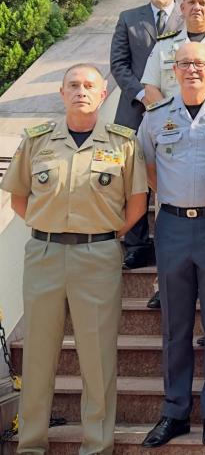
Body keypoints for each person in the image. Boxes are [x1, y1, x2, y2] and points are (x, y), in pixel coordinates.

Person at [0, 64, 147, 454]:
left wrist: (107, 233)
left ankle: (96, 446)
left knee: (97, 359)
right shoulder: (37, 141)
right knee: (37, 356)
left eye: (89, 86)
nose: (81, 91)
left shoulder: (123, 143)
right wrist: (44, 225)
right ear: (62, 93)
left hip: (97, 255)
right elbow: (18, 197)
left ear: (103, 95)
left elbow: (137, 203)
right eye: (73, 85)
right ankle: (30, 444)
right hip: (45, 253)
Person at [136, 43, 205, 448]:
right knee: (175, 326)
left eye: (200, 63)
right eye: (184, 63)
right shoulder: (153, 118)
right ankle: (175, 411)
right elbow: (148, 168)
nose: (192, 70)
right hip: (171, 226)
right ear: (173, 68)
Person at [110, 0, 183, 274]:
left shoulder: (188, 18)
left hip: (179, 112)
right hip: (135, 112)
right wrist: (142, 93)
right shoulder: (129, 19)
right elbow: (119, 64)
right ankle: (137, 246)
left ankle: (170, 241)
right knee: (134, 177)